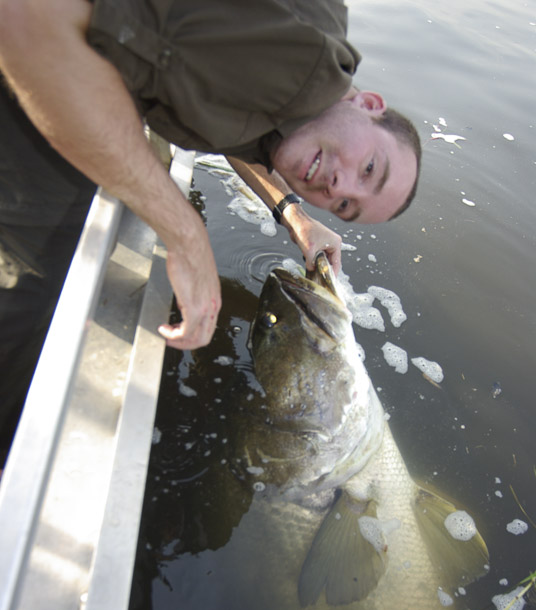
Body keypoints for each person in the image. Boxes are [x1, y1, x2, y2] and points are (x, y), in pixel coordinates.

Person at [0, 0, 421, 465]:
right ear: (369, 104)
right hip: (26, 54)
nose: (339, 186)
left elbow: (238, 118)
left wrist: (292, 214)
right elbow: (26, 16)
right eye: (369, 168)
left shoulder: (294, 84)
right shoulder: (290, 50)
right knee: (38, 297)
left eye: (345, 207)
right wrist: (184, 231)